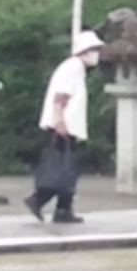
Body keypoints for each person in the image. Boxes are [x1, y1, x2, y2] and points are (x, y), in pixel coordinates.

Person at [26, 30, 104, 223]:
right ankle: (39, 200)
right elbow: (61, 96)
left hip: (66, 125)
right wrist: (59, 120)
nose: (96, 54)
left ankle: (63, 208)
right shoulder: (73, 68)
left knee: (67, 167)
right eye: (93, 49)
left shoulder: (74, 68)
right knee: (62, 168)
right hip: (63, 126)